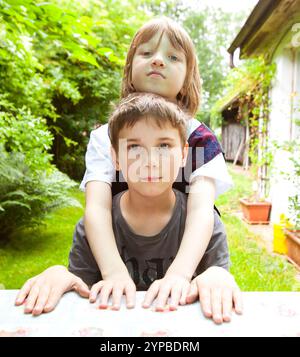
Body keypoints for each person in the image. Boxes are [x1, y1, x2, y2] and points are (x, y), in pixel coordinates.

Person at [15, 93, 242, 324]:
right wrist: (62, 275)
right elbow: (80, 289)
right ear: (115, 157)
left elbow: (216, 285)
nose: (151, 160)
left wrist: (218, 275)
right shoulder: (93, 229)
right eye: (134, 147)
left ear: (184, 154)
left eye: (164, 145)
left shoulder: (207, 226)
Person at [77, 16, 233, 311]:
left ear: (188, 75)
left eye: (173, 56)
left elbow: (202, 211)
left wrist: (179, 274)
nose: (158, 61)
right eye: (146, 53)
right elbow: (96, 207)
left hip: (183, 257)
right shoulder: (103, 137)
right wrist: (112, 272)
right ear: (130, 68)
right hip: (122, 246)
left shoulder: (201, 140)